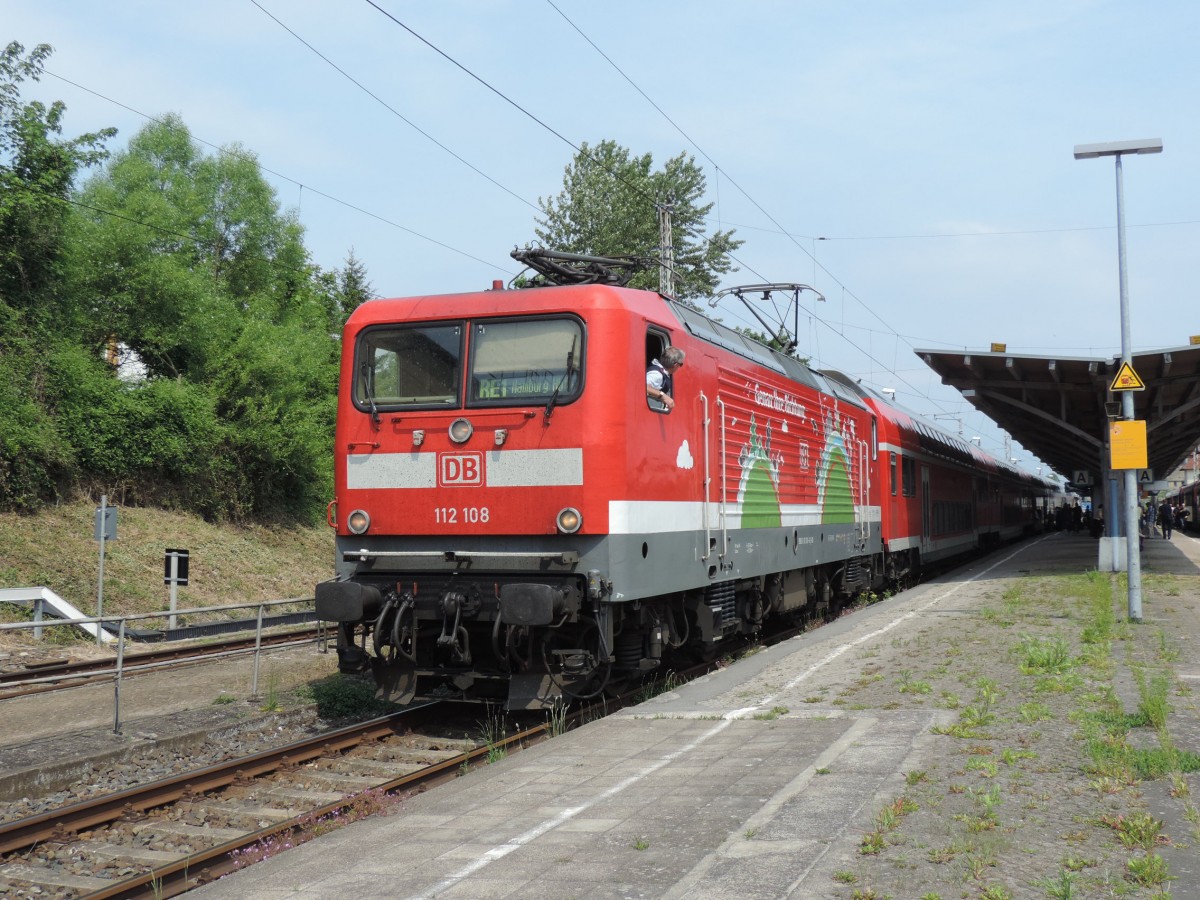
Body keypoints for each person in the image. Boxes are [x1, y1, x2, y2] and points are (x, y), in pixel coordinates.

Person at [647, 347, 685, 412]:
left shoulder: (661, 372)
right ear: (675, 365)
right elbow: (643, 386)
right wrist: (663, 396)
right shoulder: (657, 374)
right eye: (680, 364)